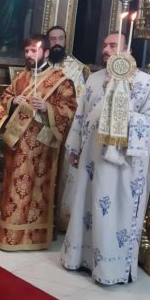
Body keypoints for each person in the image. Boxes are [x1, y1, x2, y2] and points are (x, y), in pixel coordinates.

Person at [61, 33, 150, 285]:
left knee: (115, 213)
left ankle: (110, 268)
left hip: (124, 166)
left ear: (128, 51)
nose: (105, 49)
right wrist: (74, 149)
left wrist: (124, 116)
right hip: (90, 160)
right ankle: (81, 258)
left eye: (113, 45)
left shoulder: (145, 83)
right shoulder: (94, 79)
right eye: (104, 45)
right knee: (86, 206)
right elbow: (81, 116)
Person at [0, 34, 77, 251]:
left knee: (36, 190)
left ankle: (33, 236)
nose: (29, 55)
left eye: (34, 50)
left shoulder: (61, 80)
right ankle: (9, 232)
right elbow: (4, 98)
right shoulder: (21, 77)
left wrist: (47, 108)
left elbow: (69, 109)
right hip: (16, 142)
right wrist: (13, 100)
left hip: (41, 146)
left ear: (46, 53)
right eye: (27, 51)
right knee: (13, 189)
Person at [46, 25, 90, 231]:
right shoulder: (41, 64)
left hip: (66, 127)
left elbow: (78, 101)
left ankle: (61, 220)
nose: (56, 42)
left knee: (65, 172)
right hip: (42, 124)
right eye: (52, 39)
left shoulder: (76, 68)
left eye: (60, 38)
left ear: (65, 41)